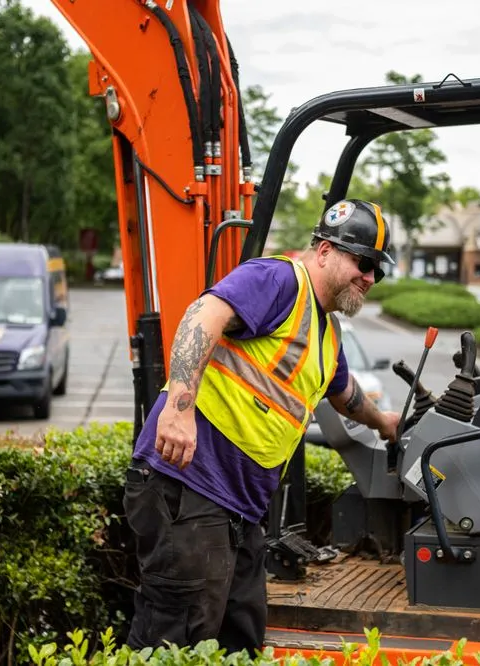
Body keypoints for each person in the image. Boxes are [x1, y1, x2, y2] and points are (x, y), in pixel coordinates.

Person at [122, 198, 403, 654]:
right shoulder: (278, 280)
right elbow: (203, 316)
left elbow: (346, 393)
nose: (370, 277)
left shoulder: (327, 336)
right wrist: (177, 408)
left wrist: (384, 421)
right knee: (173, 642)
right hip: (189, 487)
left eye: (378, 270)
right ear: (325, 250)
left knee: (240, 640)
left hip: (238, 511)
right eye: (363, 262)